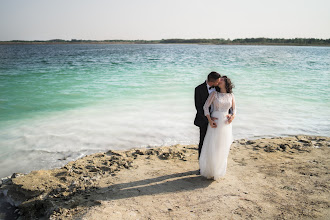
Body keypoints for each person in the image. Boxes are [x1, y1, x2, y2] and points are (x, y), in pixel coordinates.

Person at [199, 76, 236, 180]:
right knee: (213, 145)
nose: (220, 81)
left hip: (226, 124)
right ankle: (211, 170)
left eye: (222, 80)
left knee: (223, 146)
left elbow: (234, 109)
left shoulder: (231, 95)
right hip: (215, 122)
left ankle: (219, 170)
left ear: (226, 82)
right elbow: (205, 107)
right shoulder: (214, 94)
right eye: (219, 79)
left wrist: (232, 117)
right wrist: (210, 120)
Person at [194, 72, 221, 161]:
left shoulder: (219, 88)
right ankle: (202, 164)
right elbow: (198, 107)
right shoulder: (198, 89)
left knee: (216, 142)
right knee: (203, 142)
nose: (219, 83)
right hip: (203, 120)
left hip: (217, 119)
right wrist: (209, 118)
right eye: (218, 81)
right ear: (212, 81)